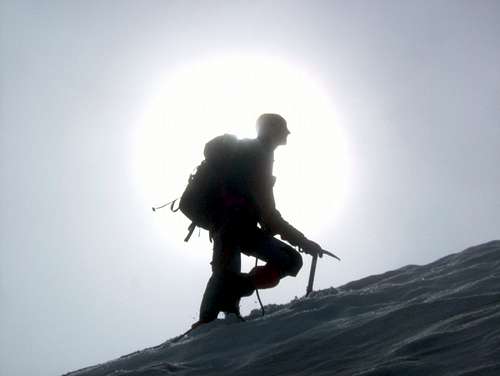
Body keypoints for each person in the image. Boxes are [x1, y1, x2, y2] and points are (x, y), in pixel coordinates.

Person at [195, 113, 323, 327]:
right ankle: (206, 327)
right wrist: (303, 241)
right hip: (229, 224)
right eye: (283, 128)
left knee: (288, 260)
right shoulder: (256, 155)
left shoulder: (257, 155)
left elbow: (267, 212)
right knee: (226, 273)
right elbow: (270, 214)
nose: (287, 133)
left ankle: (231, 298)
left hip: (241, 226)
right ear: (271, 129)